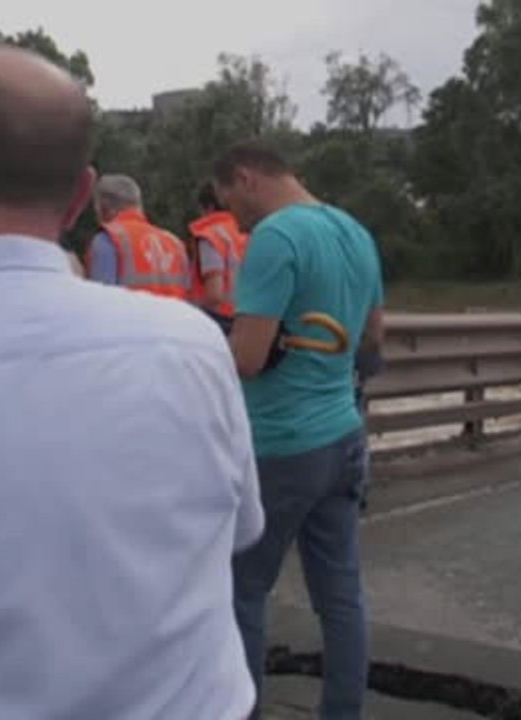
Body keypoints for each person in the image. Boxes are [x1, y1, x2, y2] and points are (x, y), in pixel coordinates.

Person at [0, 46, 263, 719]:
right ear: (77, 195)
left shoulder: (122, 250)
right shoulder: (194, 343)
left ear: (97, 205)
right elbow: (239, 531)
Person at [214, 140, 385, 719]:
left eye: (230, 200)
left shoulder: (275, 238)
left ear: (245, 178)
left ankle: (246, 710)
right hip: (344, 435)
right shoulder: (355, 232)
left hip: (280, 446)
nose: (234, 216)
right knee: (340, 597)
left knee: (242, 590)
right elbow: (373, 341)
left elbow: (248, 359)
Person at [86, 173, 191, 298]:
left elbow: (101, 300)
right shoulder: (174, 243)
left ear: (104, 208)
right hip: (174, 317)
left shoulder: (108, 239)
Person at [188, 180, 250, 322]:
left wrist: (194, 317)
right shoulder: (246, 231)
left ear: (208, 208)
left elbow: (214, 294)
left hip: (220, 320)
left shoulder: (211, 236)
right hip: (248, 317)